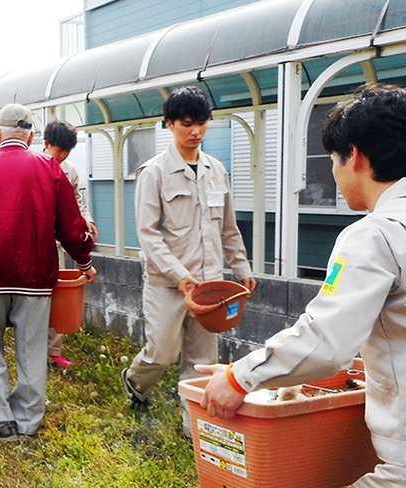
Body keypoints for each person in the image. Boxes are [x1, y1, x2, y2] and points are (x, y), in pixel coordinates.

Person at [198, 84, 406, 486]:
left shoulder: (376, 235)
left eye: (333, 160)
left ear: (354, 156)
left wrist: (239, 377)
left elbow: (326, 343)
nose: (334, 173)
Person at [0, 103, 97, 441]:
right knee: (31, 347)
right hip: (35, 274)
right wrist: (84, 261)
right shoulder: (49, 168)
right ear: (31, 136)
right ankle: (26, 422)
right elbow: (71, 227)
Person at [121, 86, 256, 440]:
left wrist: (241, 268)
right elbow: (148, 234)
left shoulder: (216, 170)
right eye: (186, 123)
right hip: (167, 283)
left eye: (202, 123)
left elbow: (228, 227)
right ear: (169, 124)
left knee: (200, 359)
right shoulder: (153, 173)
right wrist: (180, 276)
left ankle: (192, 425)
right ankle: (135, 380)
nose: (195, 131)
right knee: (162, 352)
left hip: (210, 284)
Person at [42, 120, 98, 370]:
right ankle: (31, 350)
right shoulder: (34, 167)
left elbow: (76, 201)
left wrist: (86, 219)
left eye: (67, 152)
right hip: (33, 244)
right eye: (58, 150)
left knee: (57, 296)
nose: (62, 156)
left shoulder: (70, 171)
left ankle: (54, 352)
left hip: (56, 244)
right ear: (45, 145)